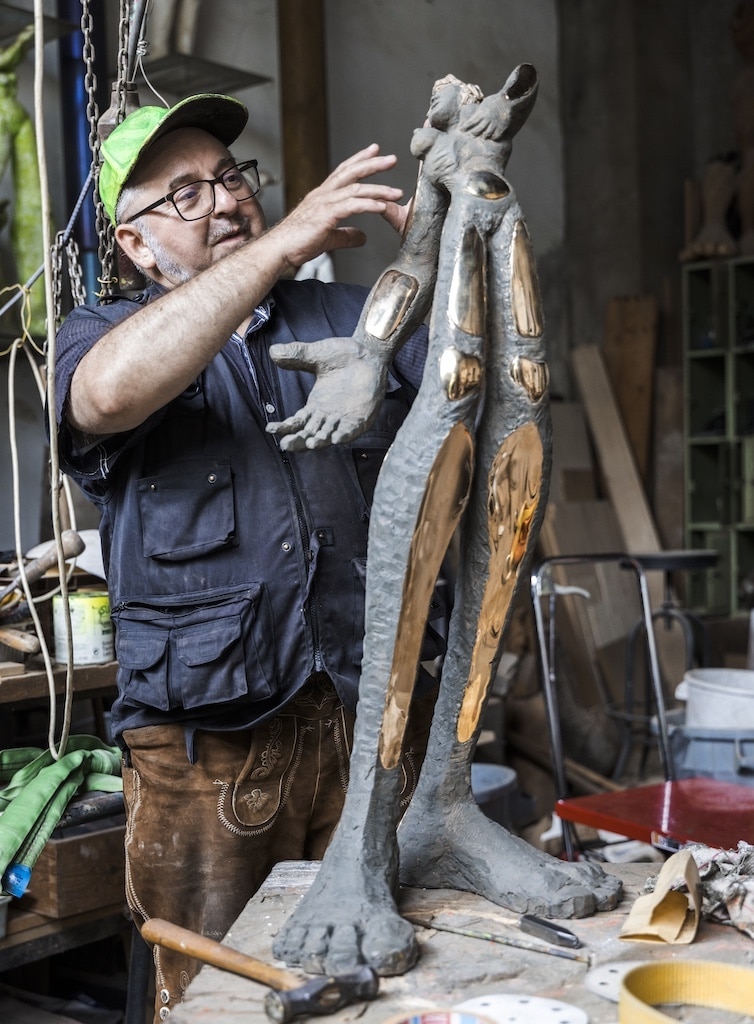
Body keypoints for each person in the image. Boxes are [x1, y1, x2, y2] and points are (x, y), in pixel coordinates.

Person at [51, 92, 444, 1021]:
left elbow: (476, 392)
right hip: (209, 756)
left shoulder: (357, 313)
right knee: (217, 998)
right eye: (185, 194)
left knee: (390, 988)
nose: (226, 201)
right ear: (137, 245)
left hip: (368, 727)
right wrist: (284, 243)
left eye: (231, 177)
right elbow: (103, 398)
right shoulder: (101, 336)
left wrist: (443, 249)